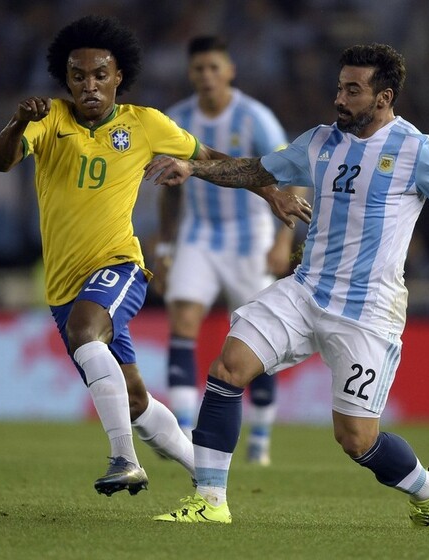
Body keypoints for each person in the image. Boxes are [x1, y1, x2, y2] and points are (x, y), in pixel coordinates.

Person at [145, 43, 429, 524]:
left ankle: (427, 487)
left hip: (367, 312)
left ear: (384, 97)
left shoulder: (415, 150)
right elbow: (256, 168)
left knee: (356, 439)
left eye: (353, 90)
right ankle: (211, 501)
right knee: (228, 367)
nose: (339, 99)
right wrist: (194, 168)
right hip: (305, 290)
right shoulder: (320, 141)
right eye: (340, 87)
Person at [0, 16, 311, 497]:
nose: (90, 85)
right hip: (63, 285)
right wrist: (18, 121)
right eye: (78, 76)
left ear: (118, 77)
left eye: (100, 75)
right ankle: (203, 473)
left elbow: (212, 158)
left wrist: (272, 194)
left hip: (118, 265)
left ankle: (124, 460)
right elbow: (0, 162)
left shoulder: (144, 123)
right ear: (66, 80)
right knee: (134, 400)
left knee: (85, 332)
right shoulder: (48, 119)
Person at [153, 35, 305, 465]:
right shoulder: (177, 119)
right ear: (190, 73)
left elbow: (292, 173)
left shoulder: (256, 117)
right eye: (199, 69)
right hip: (198, 235)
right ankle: (184, 432)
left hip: (250, 237)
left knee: (259, 338)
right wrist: (164, 246)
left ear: (230, 71)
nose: (207, 76)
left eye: (214, 68)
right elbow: (170, 191)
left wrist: (283, 240)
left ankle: (261, 438)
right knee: (183, 320)